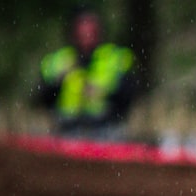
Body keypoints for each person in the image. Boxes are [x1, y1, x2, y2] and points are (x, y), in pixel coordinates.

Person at [37, 7, 137, 139]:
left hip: (107, 130)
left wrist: (104, 92)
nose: (86, 37)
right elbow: (40, 98)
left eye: (91, 31)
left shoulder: (116, 57)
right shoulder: (58, 60)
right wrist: (59, 80)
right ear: (72, 33)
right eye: (81, 32)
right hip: (67, 131)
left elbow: (130, 94)